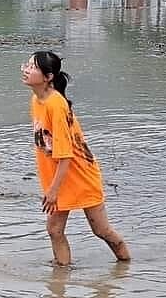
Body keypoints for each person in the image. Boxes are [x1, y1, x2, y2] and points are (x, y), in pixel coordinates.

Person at [21, 51, 130, 266]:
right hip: (59, 176)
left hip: (79, 175)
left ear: (48, 76)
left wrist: (53, 191)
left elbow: (66, 154)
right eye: (27, 64)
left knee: (101, 230)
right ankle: (61, 278)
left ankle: (126, 265)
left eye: (33, 67)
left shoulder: (56, 105)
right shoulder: (37, 100)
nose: (26, 70)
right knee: (54, 230)